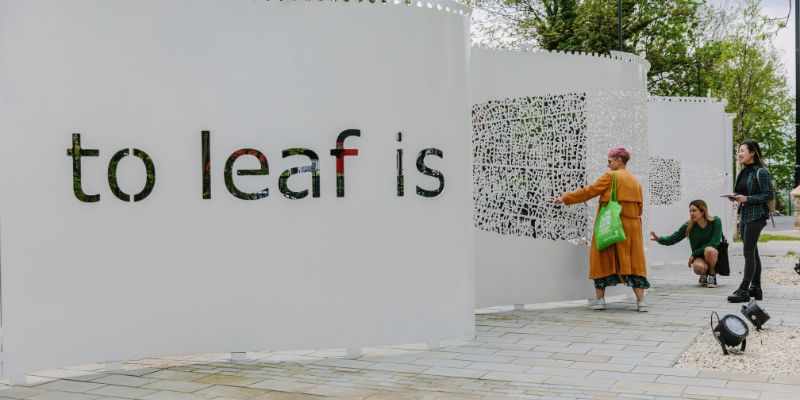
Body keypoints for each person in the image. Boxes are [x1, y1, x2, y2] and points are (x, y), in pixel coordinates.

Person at [554, 147, 649, 312]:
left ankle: (600, 301)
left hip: (611, 223)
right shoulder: (635, 181)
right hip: (633, 226)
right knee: (634, 262)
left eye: (609, 161)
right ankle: (641, 302)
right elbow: (640, 209)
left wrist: (565, 198)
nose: (608, 165)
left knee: (602, 258)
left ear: (619, 160)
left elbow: (589, 191)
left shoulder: (610, 177)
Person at [726, 140, 774, 303]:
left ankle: (744, 290)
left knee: (748, 252)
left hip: (757, 215)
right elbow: (741, 191)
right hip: (745, 214)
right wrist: (736, 197)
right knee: (753, 252)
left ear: (752, 152)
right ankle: (756, 288)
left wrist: (747, 198)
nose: (739, 154)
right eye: (738, 151)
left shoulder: (761, 172)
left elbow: (769, 195)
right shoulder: (743, 171)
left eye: (742, 151)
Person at [649, 200, 722, 288]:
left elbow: (714, 242)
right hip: (699, 257)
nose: (691, 213)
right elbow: (673, 238)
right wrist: (659, 239)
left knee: (709, 250)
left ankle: (712, 275)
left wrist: (694, 254)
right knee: (699, 268)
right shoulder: (688, 225)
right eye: (690, 211)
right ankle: (704, 273)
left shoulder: (715, 221)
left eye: (694, 210)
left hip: (714, 255)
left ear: (702, 211)